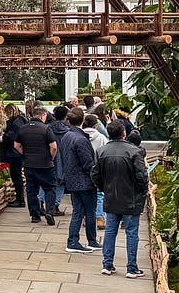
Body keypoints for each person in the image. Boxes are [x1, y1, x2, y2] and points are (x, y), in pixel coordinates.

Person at [92, 119, 149, 278]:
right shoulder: (134, 151)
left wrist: (103, 187)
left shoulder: (102, 151)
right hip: (131, 198)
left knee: (110, 231)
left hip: (111, 196)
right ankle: (132, 268)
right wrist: (142, 191)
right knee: (132, 233)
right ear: (124, 133)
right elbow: (141, 176)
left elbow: (95, 174)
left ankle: (107, 264)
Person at [56, 108, 101, 253]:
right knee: (88, 211)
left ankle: (76, 240)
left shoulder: (66, 136)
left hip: (72, 179)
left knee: (79, 211)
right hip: (84, 181)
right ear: (83, 120)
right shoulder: (81, 139)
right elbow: (88, 164)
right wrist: (97, 179)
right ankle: (84, 240)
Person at [11, 105, 58, 225]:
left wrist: (25, 154)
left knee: (32, 190)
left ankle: (35, 215)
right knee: (50, 188)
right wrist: (50, 157)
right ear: (43, 115)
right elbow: (53, 146)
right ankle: (49, 211)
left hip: (29, 164)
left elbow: (16, 145)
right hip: (45, 165)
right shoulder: (46, 129)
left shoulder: (23, 129)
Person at [0, 104, 27, 208]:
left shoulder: (15, 123)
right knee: (16, 176)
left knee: (16, 176)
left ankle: (20, 200)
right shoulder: (20, 121)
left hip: (14, 154)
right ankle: (20, 199)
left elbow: (10, 137)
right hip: (16, 154)